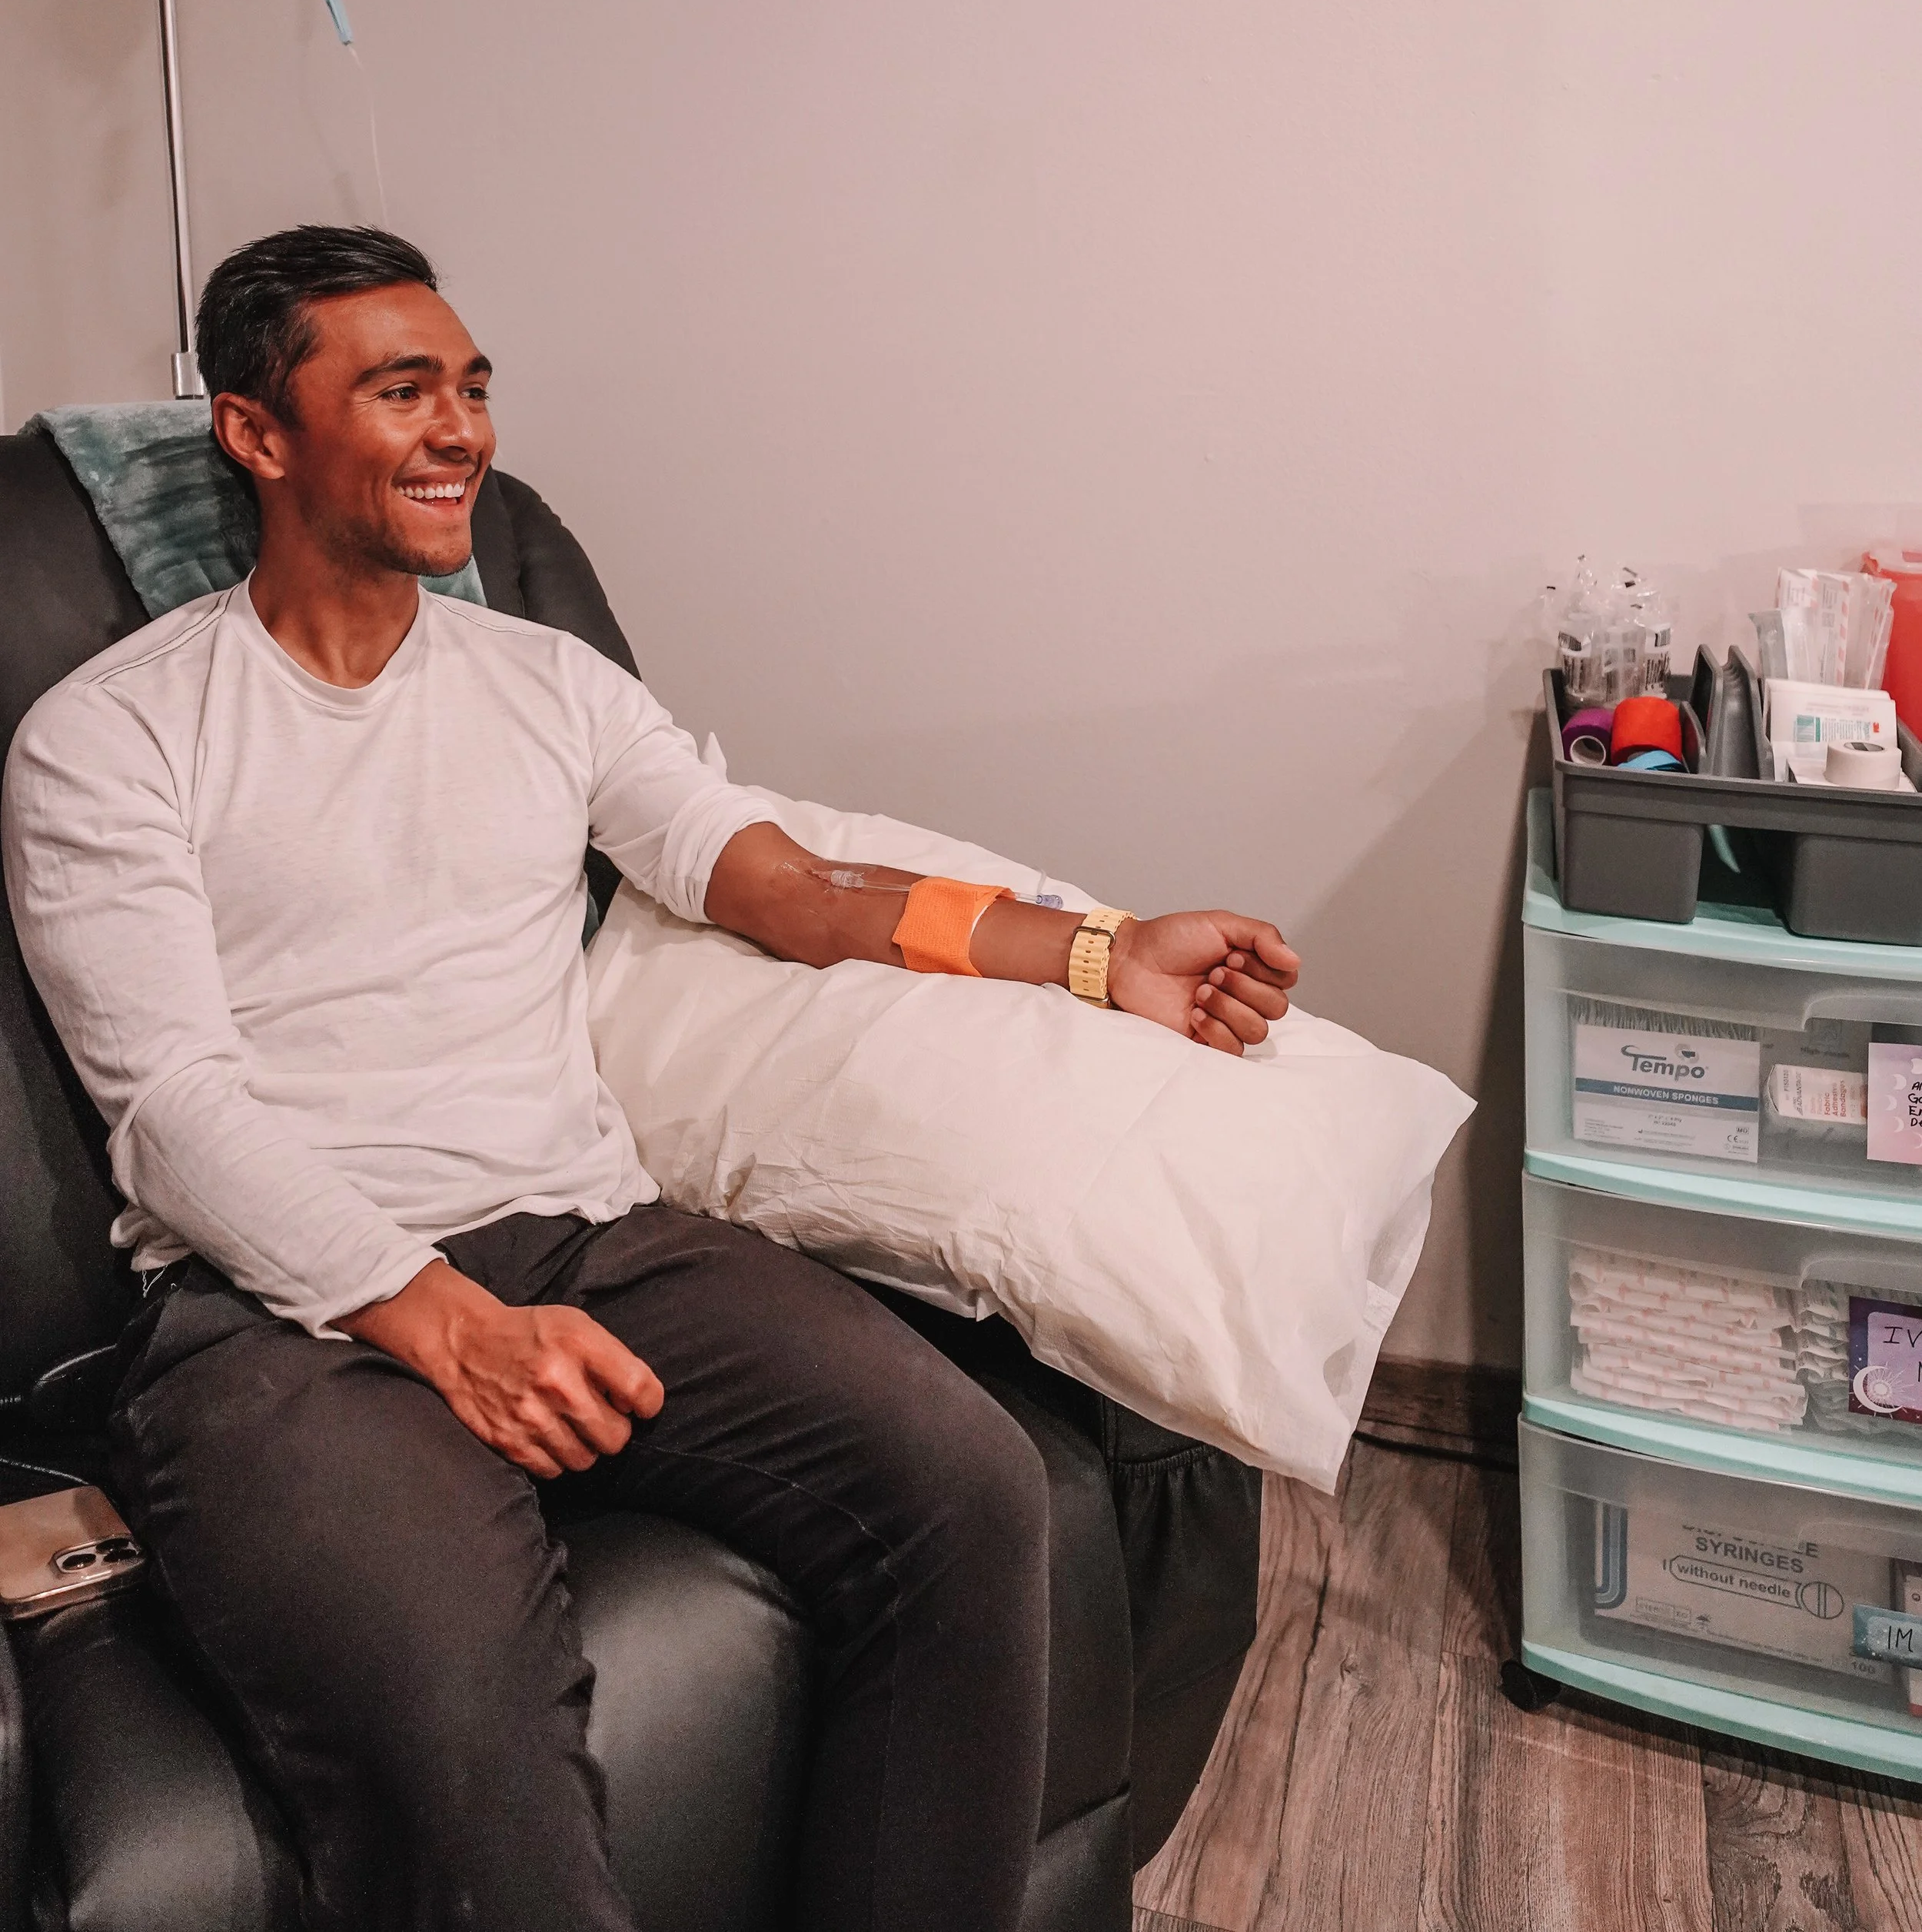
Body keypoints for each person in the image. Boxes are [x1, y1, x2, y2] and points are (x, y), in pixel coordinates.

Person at [2, 224, 1298, 1932]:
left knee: (969, 1489)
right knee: (459, 1712)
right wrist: (442, 1324)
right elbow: (172, 1110)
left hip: (588, 1240)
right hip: (275, 1318)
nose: (461, 428)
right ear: (256, 435)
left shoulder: (547, 685)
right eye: (402, 390)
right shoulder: (115, 734)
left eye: (471, 388)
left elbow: (780, 883)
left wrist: (1090, 951)